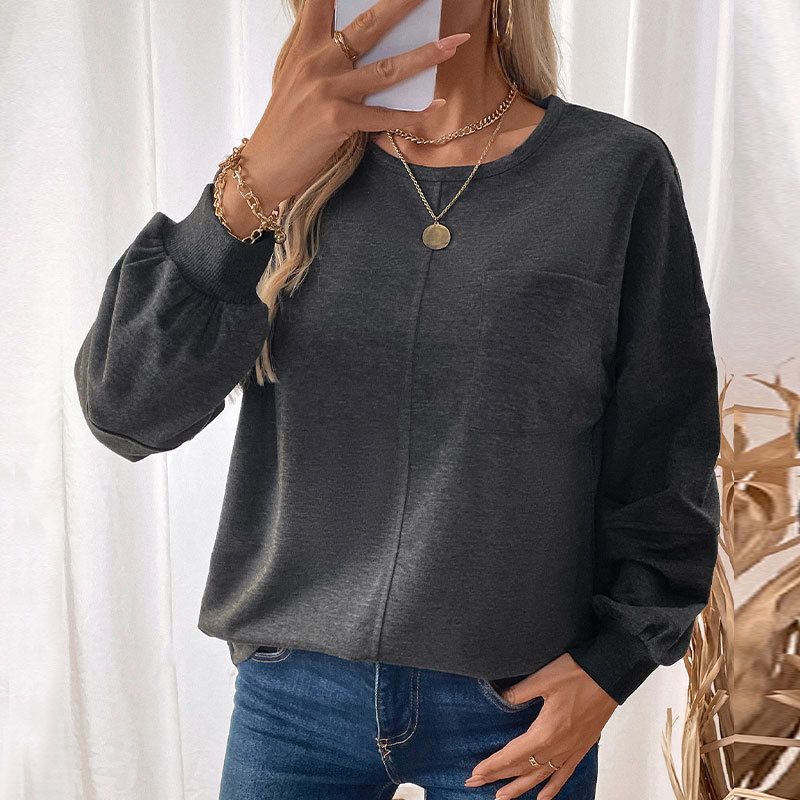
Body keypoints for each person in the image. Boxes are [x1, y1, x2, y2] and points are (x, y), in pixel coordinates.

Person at [73, 0, 721, 798]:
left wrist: (613, 666)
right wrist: (253, 185)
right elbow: (126, 411)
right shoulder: (285, 172)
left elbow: (666, 444)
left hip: (515, 701)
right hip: (293, 695)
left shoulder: (613, 171)